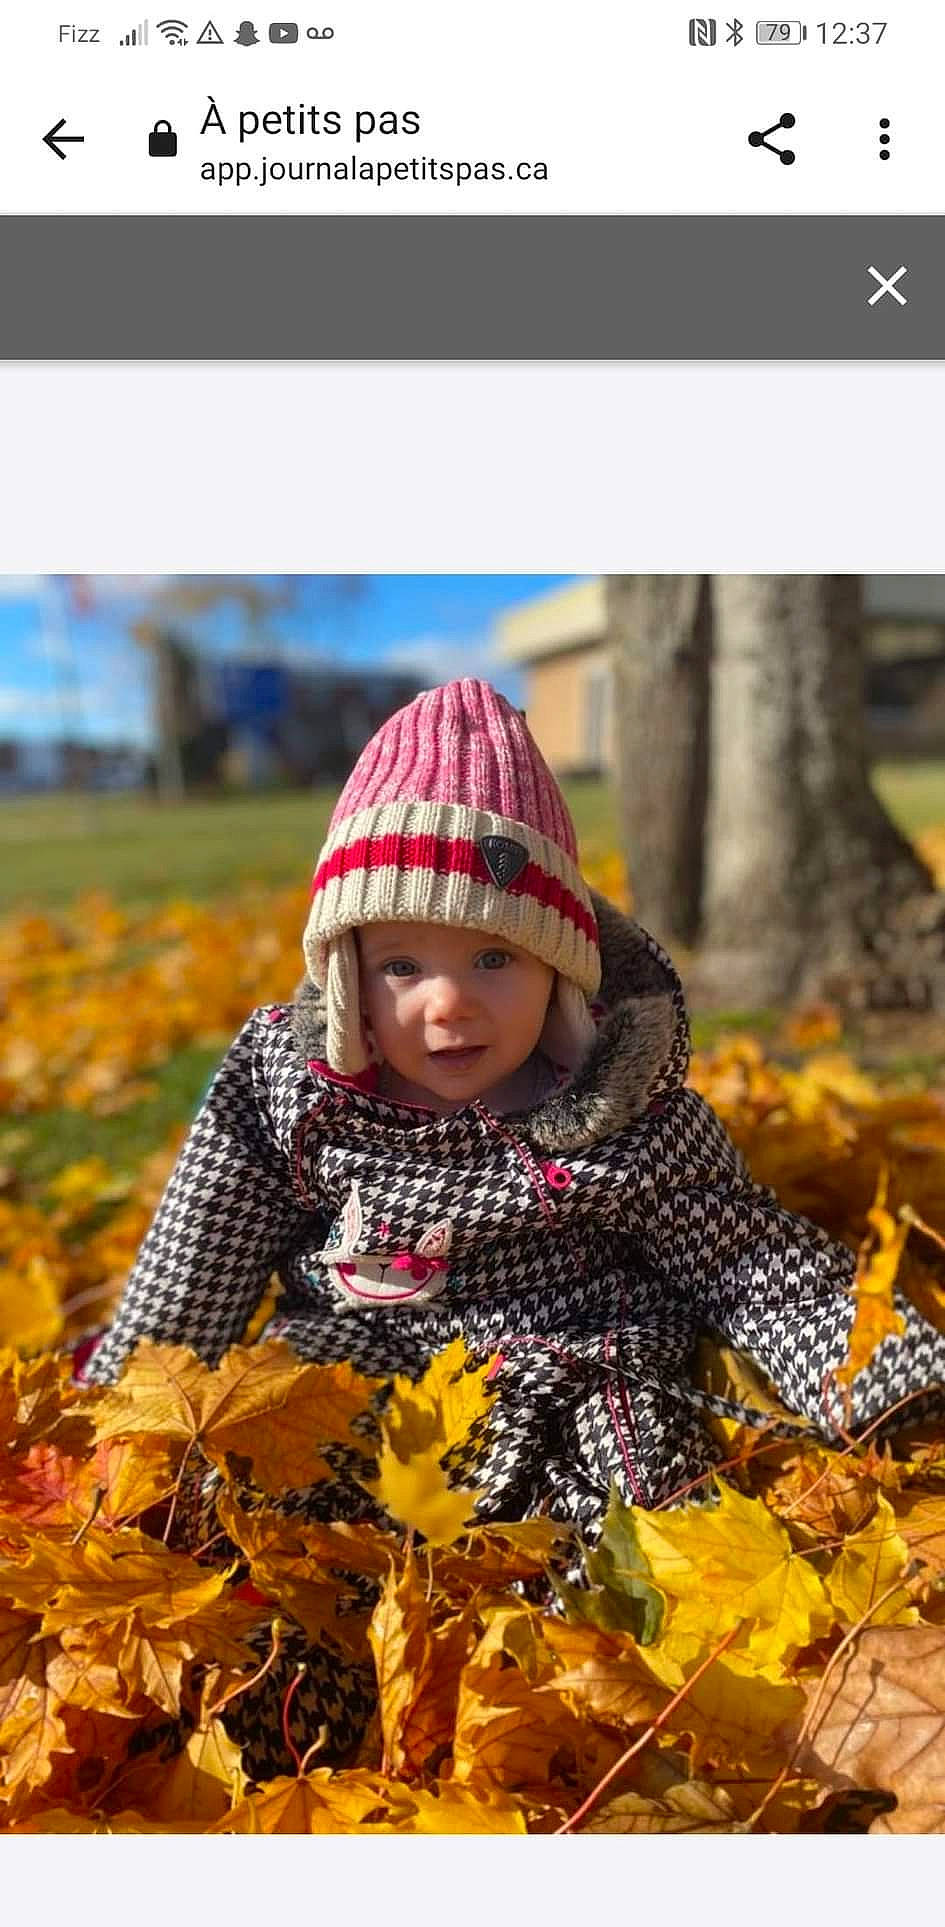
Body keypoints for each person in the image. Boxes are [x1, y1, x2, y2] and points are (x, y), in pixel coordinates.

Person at [70, 675, 945, 1775]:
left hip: (571, 1370)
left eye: (495, 958)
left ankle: (598, 1732)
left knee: (634, 1552)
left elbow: (748, 1257)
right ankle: (299, 1734)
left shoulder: (617, 1114)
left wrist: (871, 1369)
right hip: (359, 1362)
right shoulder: (294, 1093)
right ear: (345, 973)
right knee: (283, 1542)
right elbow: (200, 1247)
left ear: (560, 967)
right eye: (402, 965)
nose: (450, 1004)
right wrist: (122, 1409)